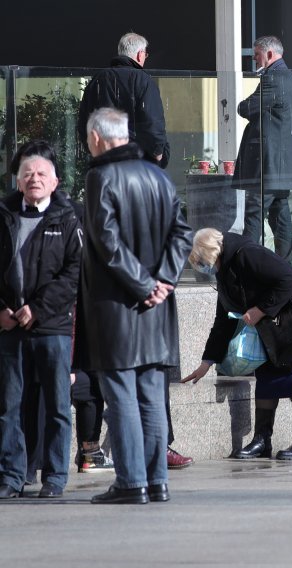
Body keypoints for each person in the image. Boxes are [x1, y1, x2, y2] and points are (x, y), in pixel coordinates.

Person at [77, 107, 192, 504]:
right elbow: (183, 233)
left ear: (96, 138)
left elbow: (106, 244)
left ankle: (131, 482)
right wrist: (164, 281)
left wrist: (145, 285)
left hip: (116, 308)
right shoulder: (158, 176)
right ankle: (156, 480)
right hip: (156, 308)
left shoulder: (100, 177)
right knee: (150, 394)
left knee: (121, 396)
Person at [182, 228, 292, 461]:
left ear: (210, 253)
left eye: (200, 261)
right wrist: (207, 362)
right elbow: (223, 320)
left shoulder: (246, 254)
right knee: (267, 378)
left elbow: (287, 278)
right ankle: (261, 440)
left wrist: (260, 310)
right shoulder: (223, 270)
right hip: (276, 331)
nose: (201, 267)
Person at [0, 140, 82, 499]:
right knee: (8, 407)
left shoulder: (68, 219)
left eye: (41, 174)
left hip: (52, 327)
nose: (34, 179)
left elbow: (75, 272)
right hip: (9, 327)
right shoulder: (4, 216)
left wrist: (38, 308)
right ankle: (11, 476)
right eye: (27, 174)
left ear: (55, 181)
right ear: (18, 181)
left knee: (57, 406)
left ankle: (54, 476)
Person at [233, 35, 292, 258]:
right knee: (279, 213)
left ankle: (246, 262)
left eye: (257, 54)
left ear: (269, 54)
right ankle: (284, 263)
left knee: (254, 214)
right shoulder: (286, 77)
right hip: (279, 165)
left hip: (268, 165)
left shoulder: (274, 78)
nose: (254, 58)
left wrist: (245, 104)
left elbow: (246, 108)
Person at [78, 32, 169, 167]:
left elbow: (84, 122)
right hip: (136, 163)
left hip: (103, 160)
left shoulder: (97, 80)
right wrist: (157, 154)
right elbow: (152, 122)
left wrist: (94, 152)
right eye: (145, 54)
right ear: (140, 54)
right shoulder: (144, 81)